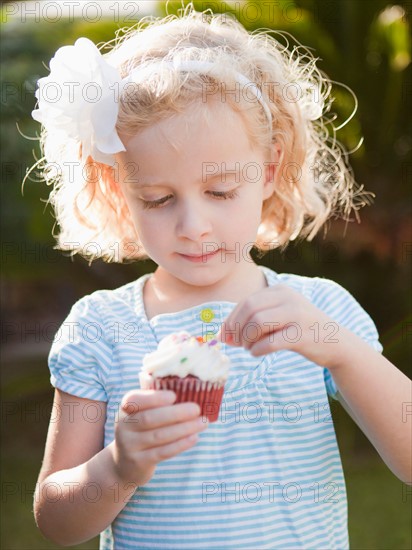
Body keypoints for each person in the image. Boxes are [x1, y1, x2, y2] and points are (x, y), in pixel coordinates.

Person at [30, 6, 410, 549]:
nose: (193, 227)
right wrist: (118, 466)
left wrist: (344, 352)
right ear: (121, 192)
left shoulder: (320, 310)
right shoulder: (100, 327)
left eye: (221, 191)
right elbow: (54, 518)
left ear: (269, 170)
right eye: (158, 199)